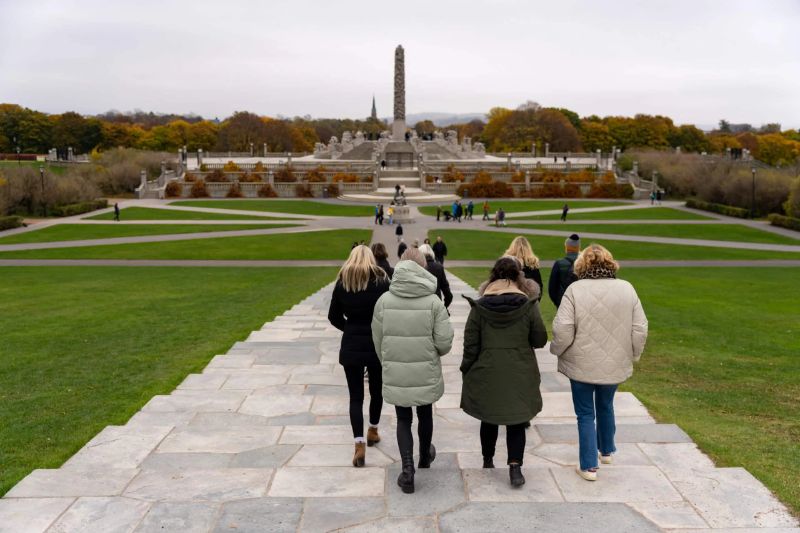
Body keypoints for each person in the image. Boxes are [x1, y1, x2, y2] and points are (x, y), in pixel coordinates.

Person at [550, 244, 648, 481]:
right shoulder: (627, 288)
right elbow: (640, 328)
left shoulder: (575, 290)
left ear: (582, 264)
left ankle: (589, 465)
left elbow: (562, 329)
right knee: (605, 405)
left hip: (582, 363)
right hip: (612, 360)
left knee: (585, 413)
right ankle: (606, 450)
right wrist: (632, 354)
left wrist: (557, 350)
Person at [372, 247, 454, 494]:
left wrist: (389, 360)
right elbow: (444, 342)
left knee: (403, 418)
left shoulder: (384, 301)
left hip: (397, 367)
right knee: (425, 412)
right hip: (424, 368)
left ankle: (408, 470)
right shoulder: (433, 302)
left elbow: (377, 341)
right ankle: (424, 456)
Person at [461, 257, 548, 486]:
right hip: (519, 368)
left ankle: (488, 459)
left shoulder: (480, 307)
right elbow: (539, 339)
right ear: (518, 277)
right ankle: (515, 466)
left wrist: (466, 367)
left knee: (488, 416)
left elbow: (471, 344)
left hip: (488, 367)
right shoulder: (528, 305)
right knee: (516, 419)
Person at [328, 245, 391, 467]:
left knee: (356, 397)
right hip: (376, 343)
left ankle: (359, 443)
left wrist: (350, 328)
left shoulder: (343, 281)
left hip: (352, 342)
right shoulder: (382, 281)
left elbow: (333, 316)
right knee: (376, 391)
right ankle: (373, 429)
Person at [548, 234, 580, 308]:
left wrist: (558, 303)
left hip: (564, 302)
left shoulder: (559, 263)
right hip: (581, 303)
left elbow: (552, 288)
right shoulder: (585, 263)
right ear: (578, 248)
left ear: (567, 248)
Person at [419, 244, 453, 309]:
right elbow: (448, 293)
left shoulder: (416, 267)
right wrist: (445, 307)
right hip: (435, 306)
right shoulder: (439, 267)